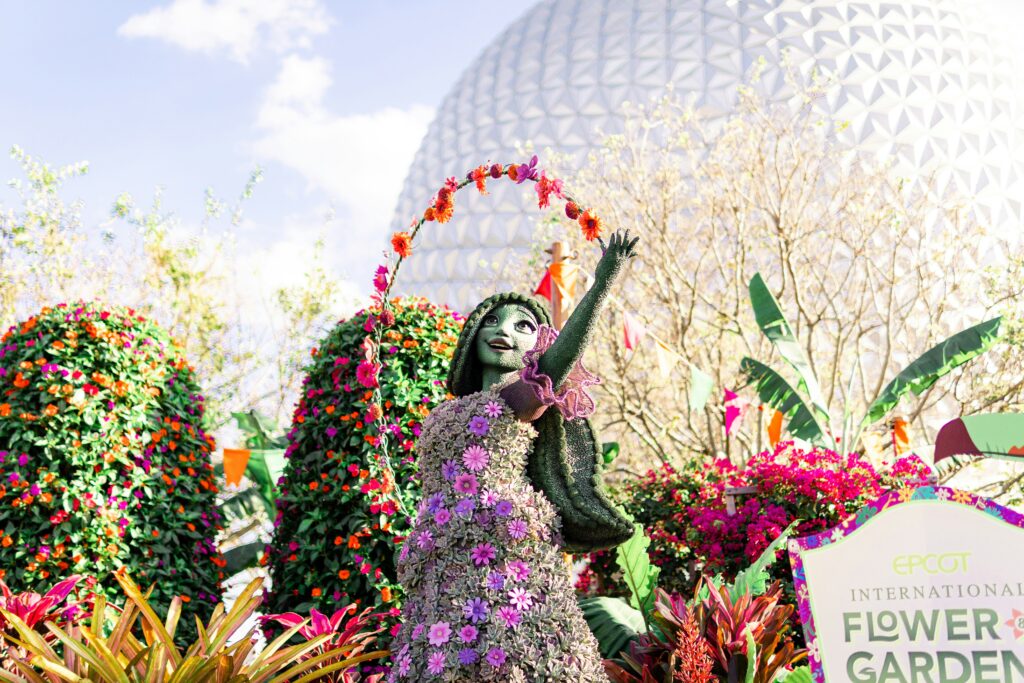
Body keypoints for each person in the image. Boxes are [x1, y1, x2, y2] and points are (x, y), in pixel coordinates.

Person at [388, 231, 639, 682]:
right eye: (494, 320)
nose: (504, 331)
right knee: (442, 655)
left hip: (503, 549)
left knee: (510, 656)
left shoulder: (517, 399)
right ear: (473, 332)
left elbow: (559, 361)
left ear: (538, 344)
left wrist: (601, 285)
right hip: (440, 554)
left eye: (523, 325)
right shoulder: (446, 410)